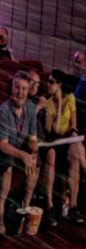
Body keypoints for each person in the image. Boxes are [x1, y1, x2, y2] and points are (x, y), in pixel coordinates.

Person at [0, 71, 41, 234]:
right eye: (17, 87)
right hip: (3, 152)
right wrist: (24, 155)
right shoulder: (4, 110)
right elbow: (3, 146)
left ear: (28, 91)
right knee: (8, 166)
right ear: (12, 89)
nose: (20, 92)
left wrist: (33, 150)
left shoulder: (31, 109)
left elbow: (32, 138)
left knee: (36, 162)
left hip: (20, 150)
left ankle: (26, 206)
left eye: (24, 89)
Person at [38, 76, 80, 222]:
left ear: (59, 84)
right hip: (53, 140)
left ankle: (73, 206)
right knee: (52, 155)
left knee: (75, 155)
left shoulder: (70, 98)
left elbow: (73, 125)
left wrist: (73, 135)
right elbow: (53, 130)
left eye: (51, 82)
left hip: (67, 138)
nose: (47, 85)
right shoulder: (49, 103)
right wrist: (60, 105)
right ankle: (49, 205)